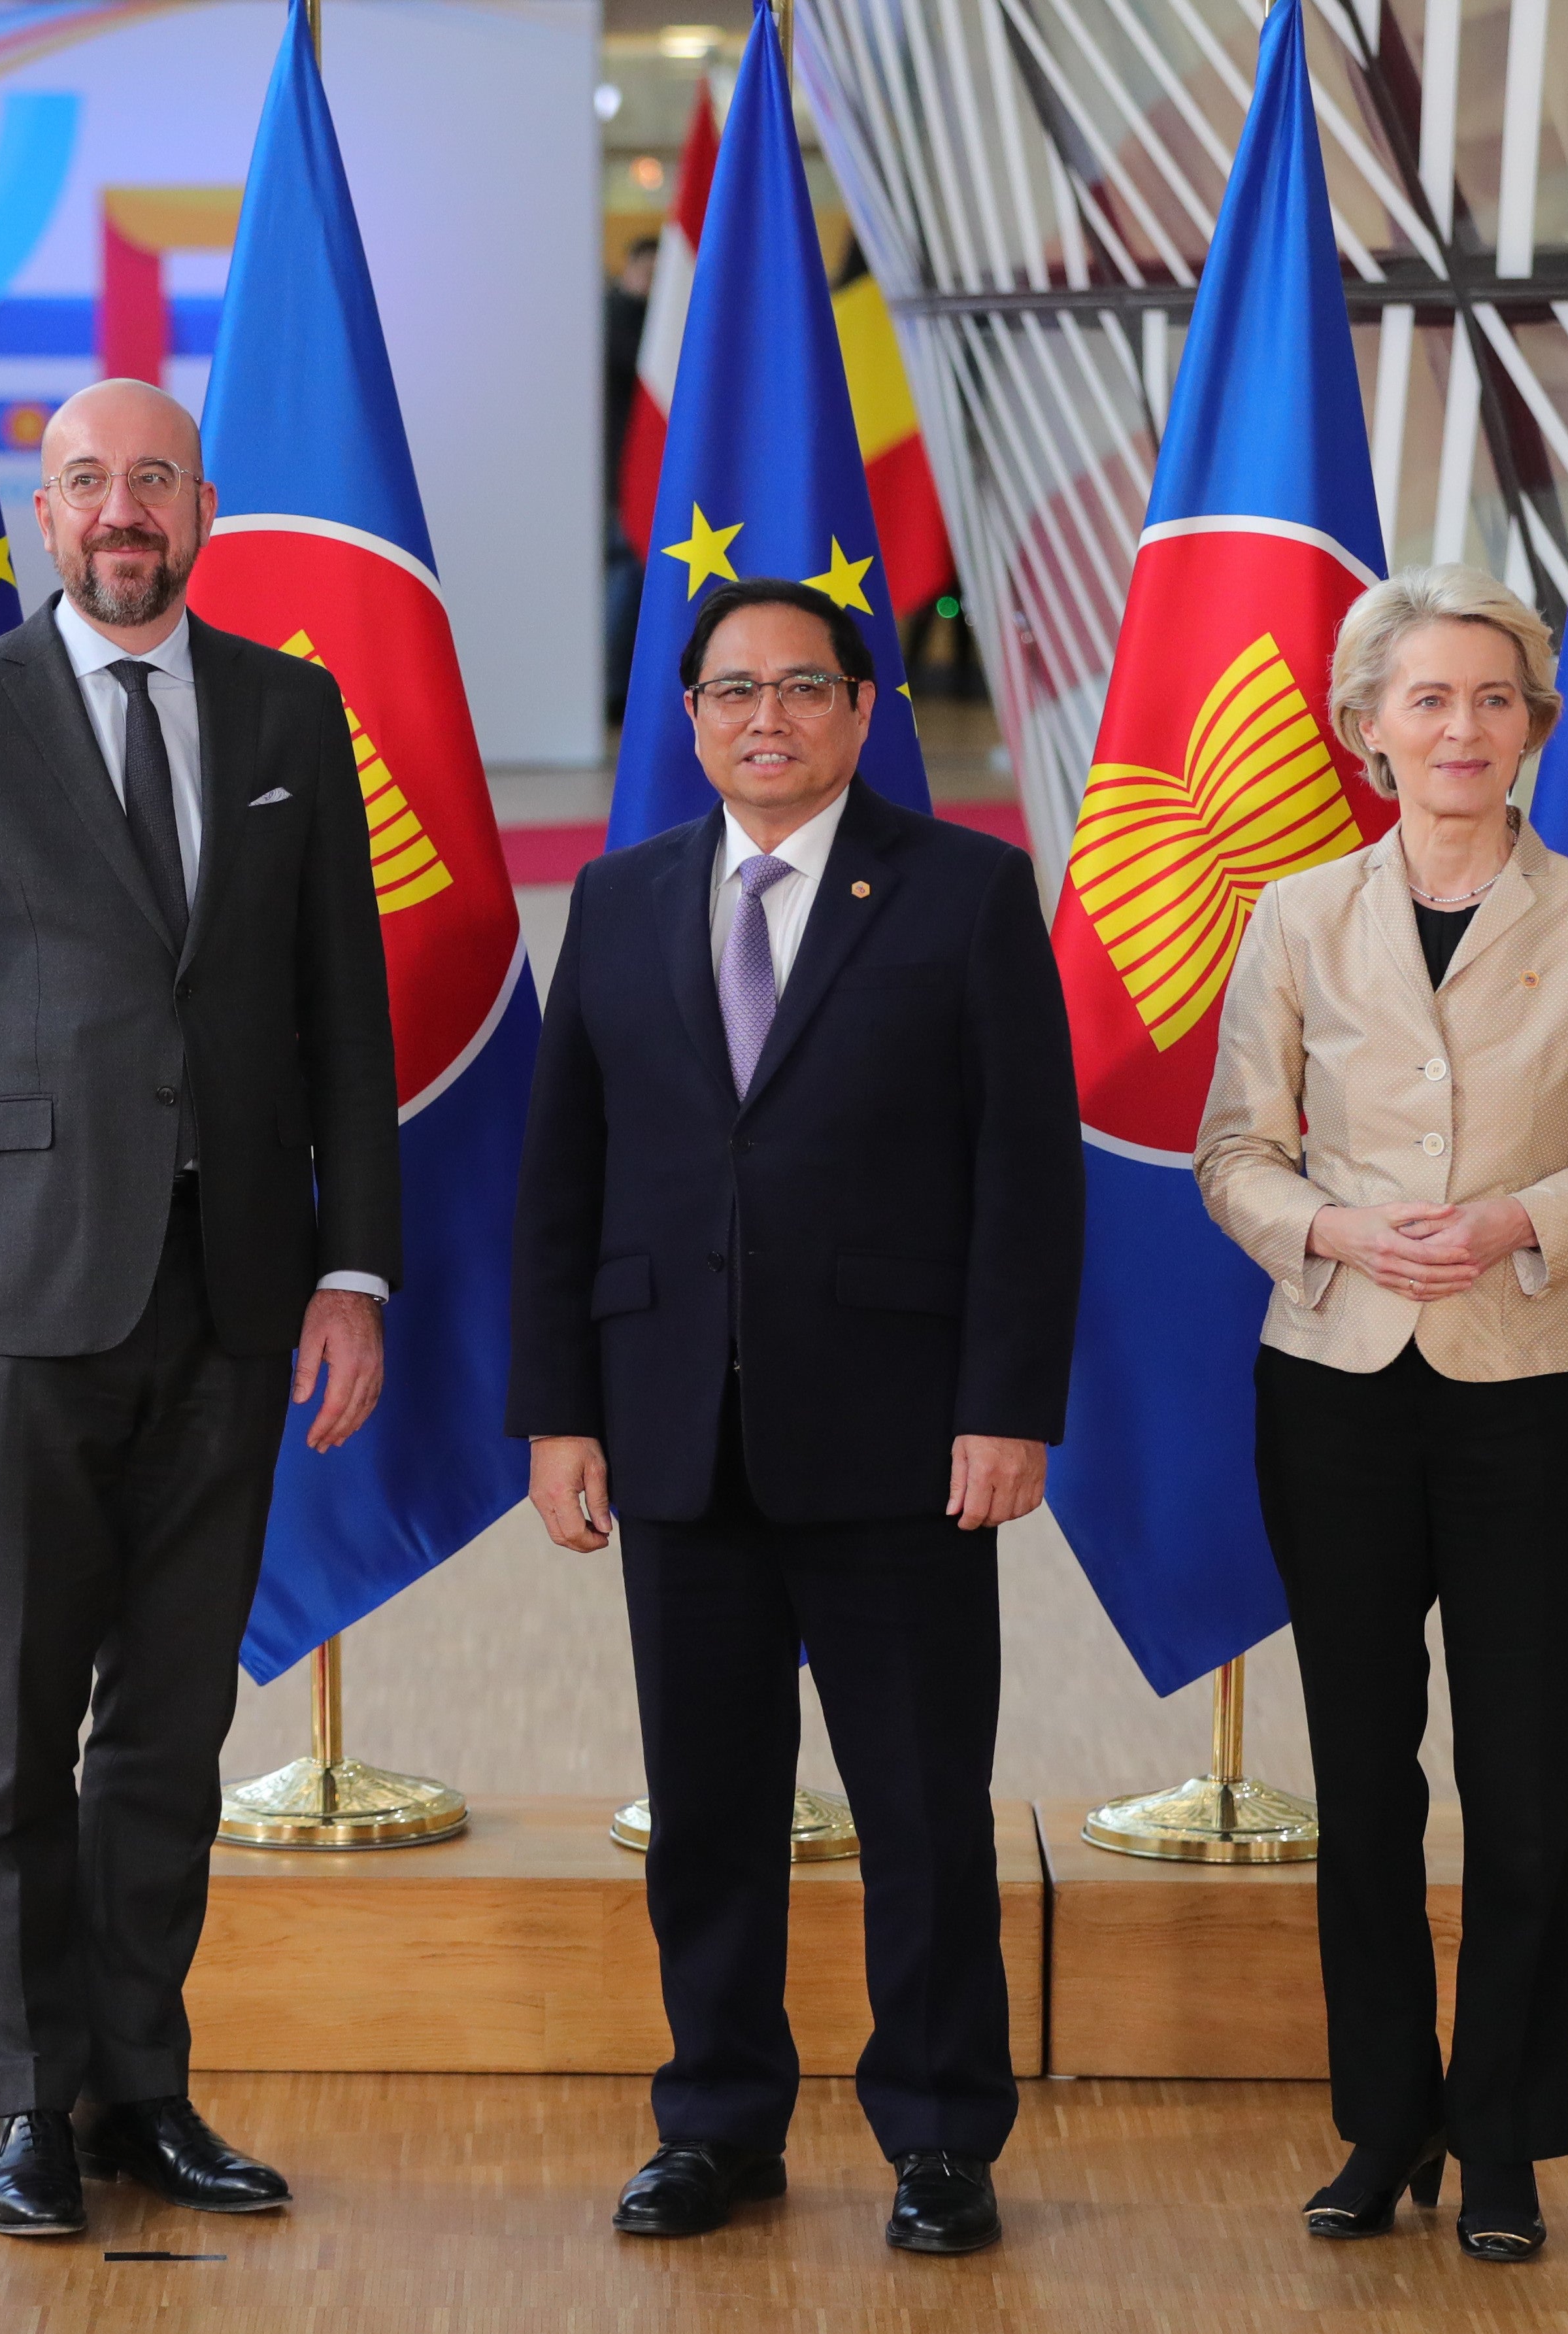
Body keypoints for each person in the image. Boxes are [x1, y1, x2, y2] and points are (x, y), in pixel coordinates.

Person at [0, 377, 401, 2241]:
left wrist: (352, 1269)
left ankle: (142, 2089)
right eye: (85, 482)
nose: (120, 509)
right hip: (10, 1305)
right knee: (6, 1730)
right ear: (44, 516)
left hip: (236, 1302)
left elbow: (345, 1029)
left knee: (163, 1728)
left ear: (203, 506)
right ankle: (23, 2102)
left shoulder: (291, 711)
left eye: (151, 477)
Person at [510, 576, 1082, 2258]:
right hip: (672, 1428)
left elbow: (1025, 1181)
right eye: (730, 691)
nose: (766, 717)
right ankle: (716, 2124)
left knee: (917, 1802)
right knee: (706, 1806)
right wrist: (558, 1409)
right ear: (685, 720)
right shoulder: (616, 901)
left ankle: (936, 2136)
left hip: (902, 1437)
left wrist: (1005, 1406)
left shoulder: (966, 892)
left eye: (803, 688)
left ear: (861, 709)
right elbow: (565, 1179)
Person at [1192, 564, 1568, 2264]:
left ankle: (1499, 2140)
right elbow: (1232, 1152)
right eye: (1427, 699)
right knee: (1358, 1779)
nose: (1461, 727)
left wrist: (1517, 1222)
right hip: (1329, 1382)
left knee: (1522, 1775)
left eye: (1493, 699)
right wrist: (1328, 1228)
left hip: (1532, 1392)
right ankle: (1382, 2117)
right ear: (1366, 729)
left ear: (1535, 727)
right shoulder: (1292, 915)